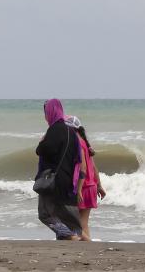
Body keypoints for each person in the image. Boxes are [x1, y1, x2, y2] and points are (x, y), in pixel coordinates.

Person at [35, 99, 82, 240]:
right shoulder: (71, 131)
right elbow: (77, 157)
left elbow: (42, 151)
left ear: (50, 112)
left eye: (46, 112)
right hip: (68, 179)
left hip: (53, 180)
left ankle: (71, 236)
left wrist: (41, 142)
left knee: (45, 214)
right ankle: (70, 238)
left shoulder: (54, 130)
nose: (45, 116)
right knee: (65, 214)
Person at [66, 116, 106, 241]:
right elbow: (94, 167)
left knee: (74, 224)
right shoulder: (85, 143)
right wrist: (99, 186)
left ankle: (89, 245)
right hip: (91, 187)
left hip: (82, 187)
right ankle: (87, 248)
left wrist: (77, 189)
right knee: (84, 223)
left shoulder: (75, 143)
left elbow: (81, 168)